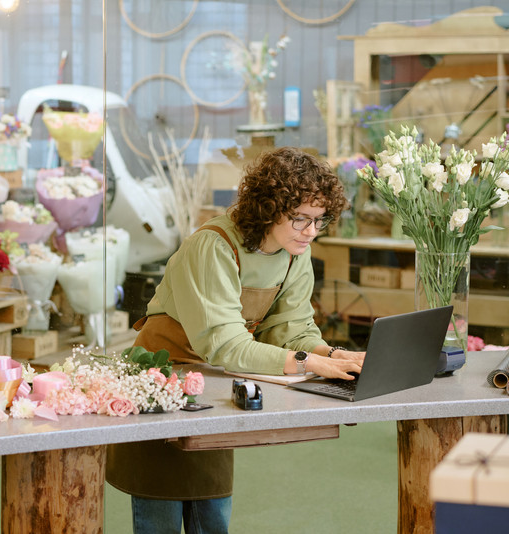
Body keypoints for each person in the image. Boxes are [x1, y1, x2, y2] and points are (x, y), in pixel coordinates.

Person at [105, 147, 366, 534]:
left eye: (319, 220)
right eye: (300, 219)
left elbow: (291, 329)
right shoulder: (213, 246)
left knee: (212, 508)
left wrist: (338, 355)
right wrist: (311, 363)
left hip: (215, 378)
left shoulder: (296, 252)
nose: (311, 231)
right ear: (269, 207)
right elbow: (225, 344)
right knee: (159, 508)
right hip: (162, 376)